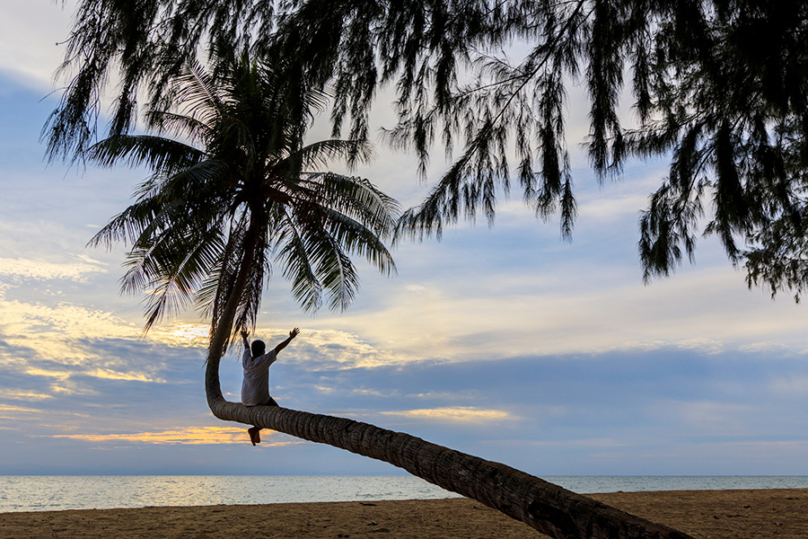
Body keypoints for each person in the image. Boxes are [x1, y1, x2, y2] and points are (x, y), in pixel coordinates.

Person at [240, 327, 300, 446]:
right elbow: (278, 348)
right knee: (276, 413)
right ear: (263, 351)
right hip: (257, 398)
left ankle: (255, 429)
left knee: (271, 412)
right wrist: (291, 338)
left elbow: (246, 347)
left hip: (245, 398)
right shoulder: (264, 360)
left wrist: (244, 338)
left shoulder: (246, 360)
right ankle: (255, 430)